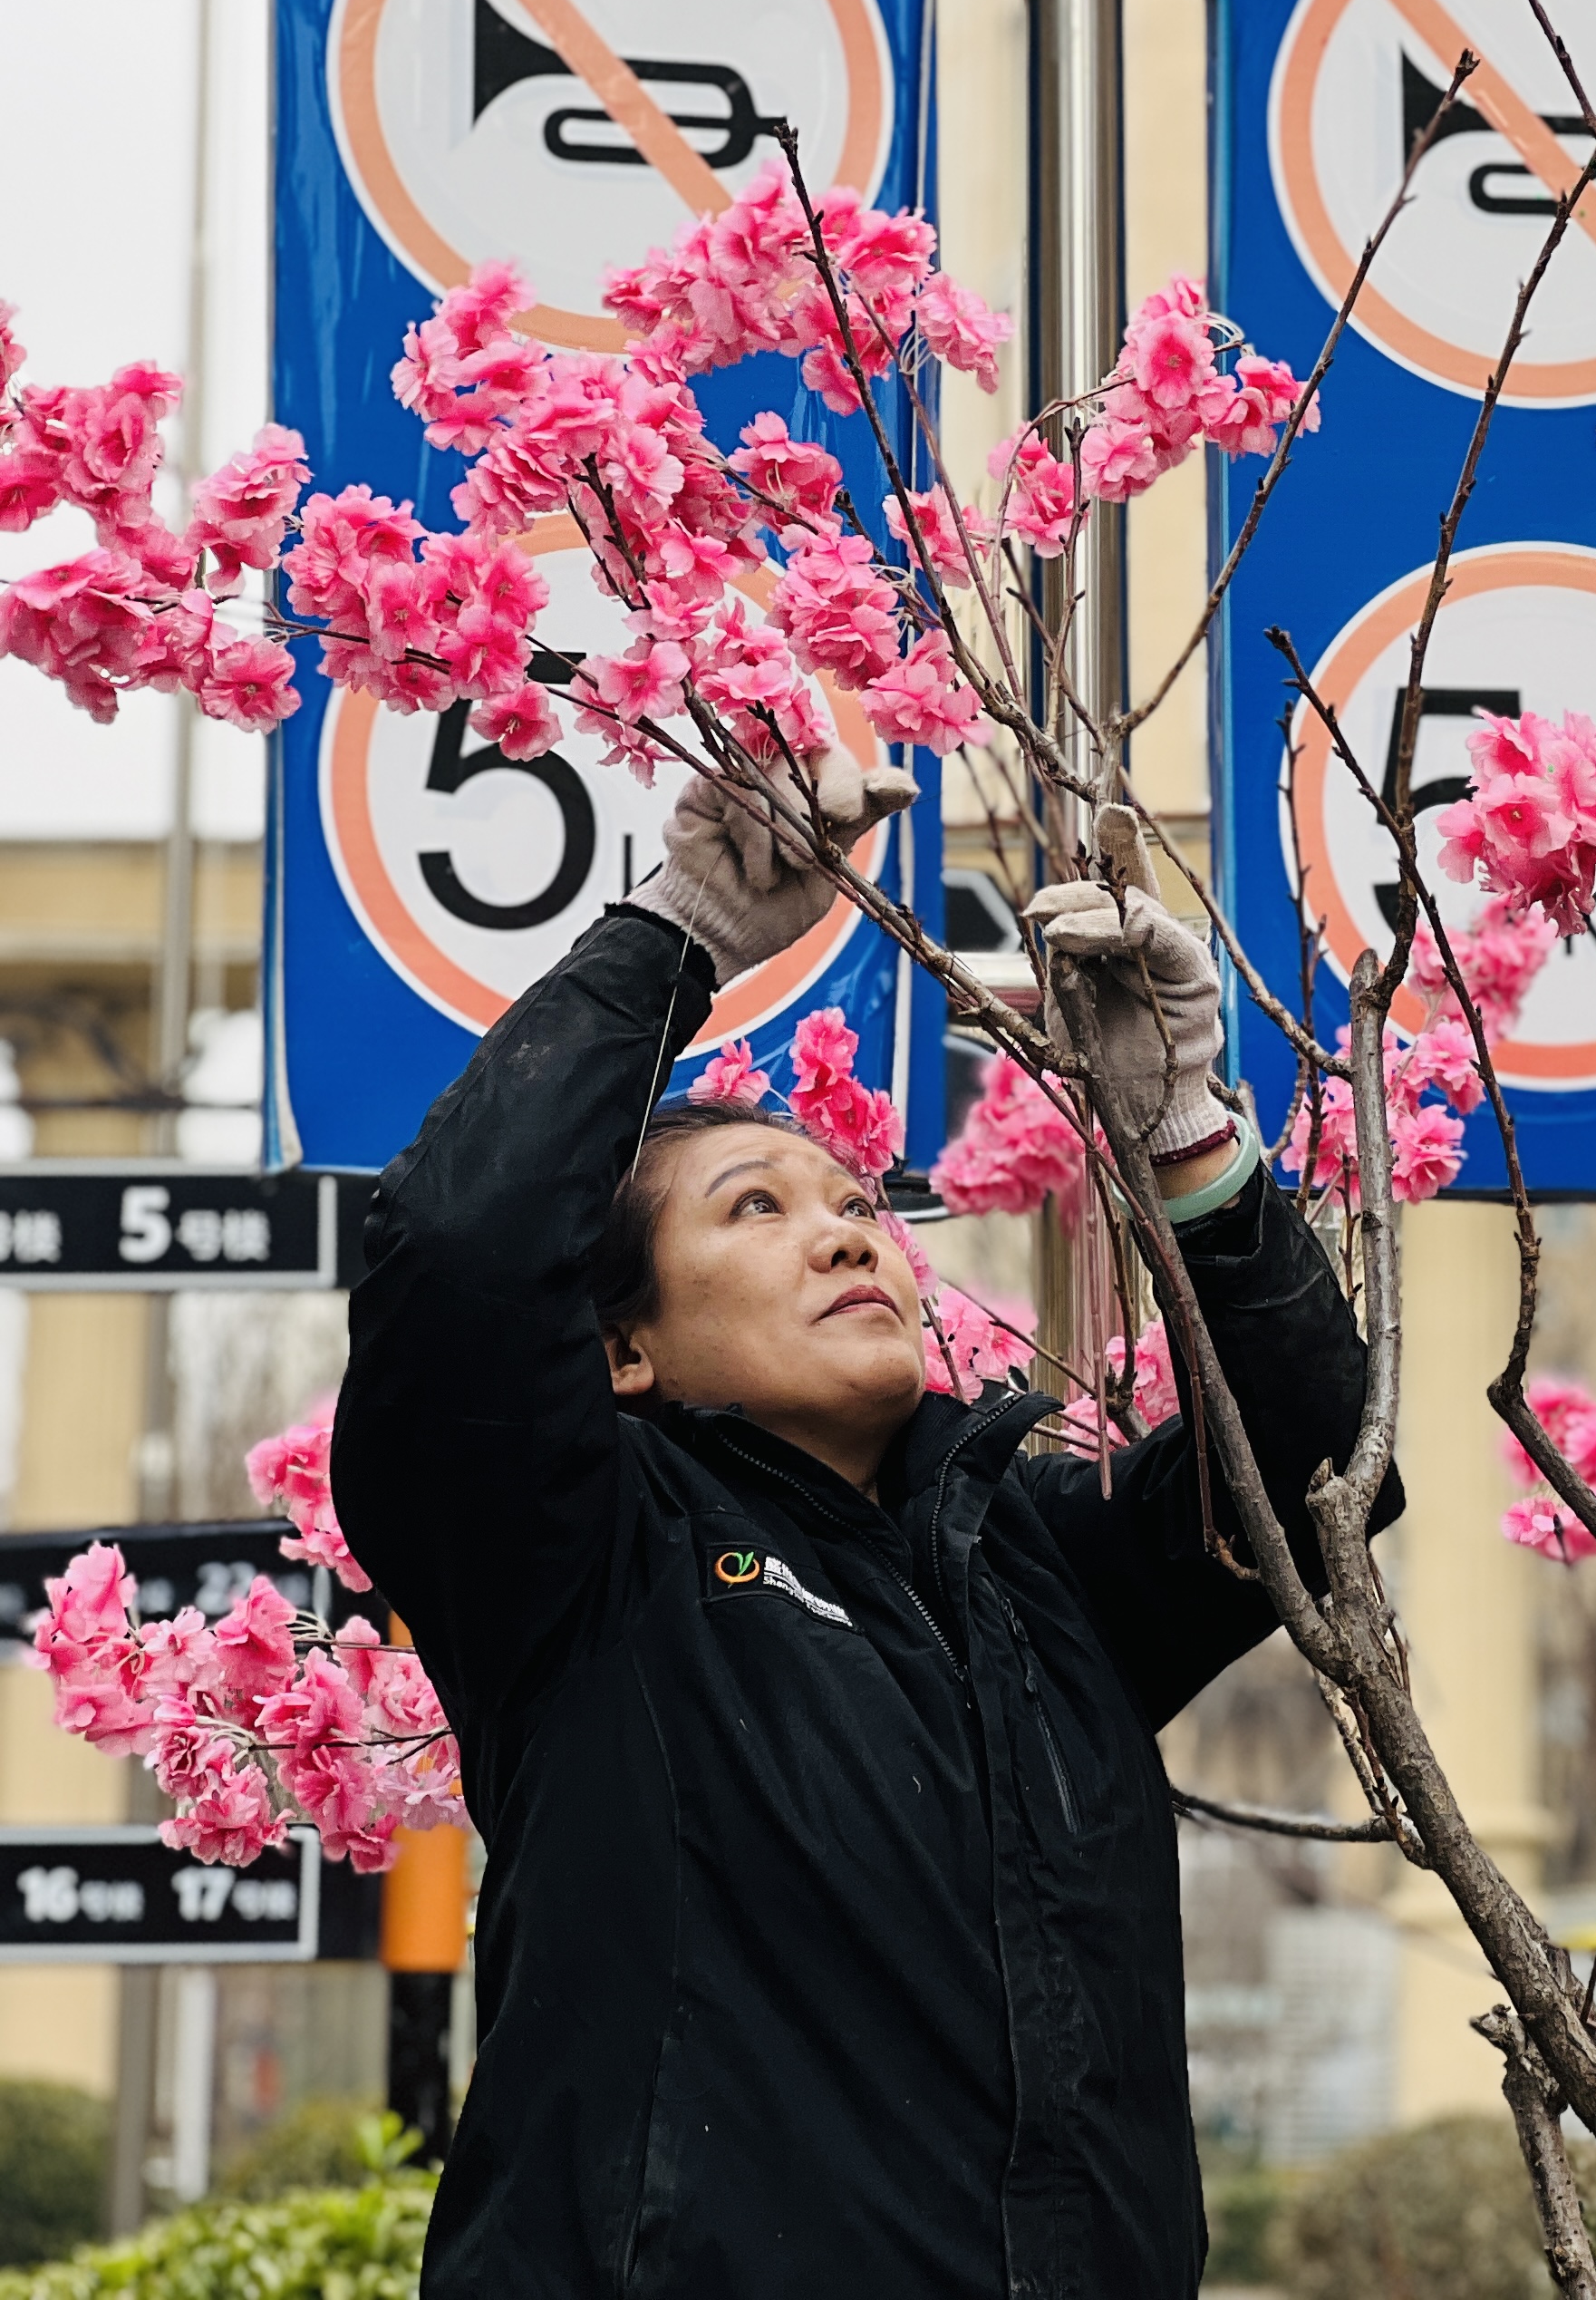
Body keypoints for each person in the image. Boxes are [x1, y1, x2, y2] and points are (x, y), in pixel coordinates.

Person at [333, 754, 1390, 2299]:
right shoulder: (584, 1557)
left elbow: (1317, 1480)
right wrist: (680, 930)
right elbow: (464, 1254)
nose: (844, 1235)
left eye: (854, 1206)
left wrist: (1182, 1129)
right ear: (620, 1350)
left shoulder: (1034, 1562)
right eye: (754, 1208)